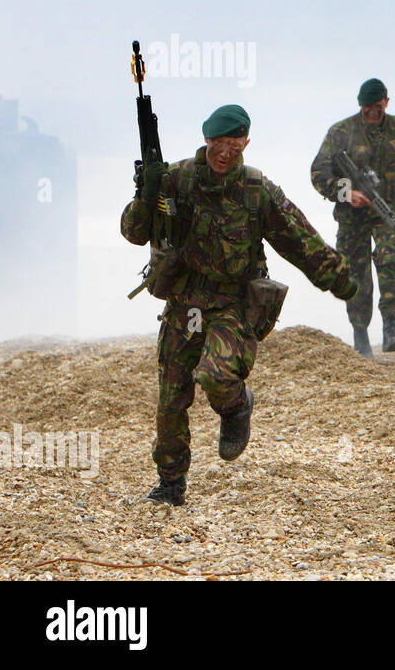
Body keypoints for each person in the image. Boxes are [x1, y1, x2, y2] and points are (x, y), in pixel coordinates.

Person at [122, 105, 357, 505]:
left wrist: (339, 278)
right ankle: (170, 484)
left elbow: (298, 238)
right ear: (206, 141)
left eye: (233, 144)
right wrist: (147, 195)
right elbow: (133, 231)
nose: (224, 153)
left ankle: (236, 405)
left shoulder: (256, 190)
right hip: (186, 300)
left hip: (234, 301)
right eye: (217, 144)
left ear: (246, 142)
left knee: (216, 376)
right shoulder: (176, 180)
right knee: (171, 395)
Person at [310, 78, 395, 355]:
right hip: (351, 217)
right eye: (367, 108)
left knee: (390, 260)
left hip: (387, 208)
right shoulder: (341, 132)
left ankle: (390, 328)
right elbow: (318, 173)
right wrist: (347, 193)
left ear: (387, 102)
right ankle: (360, 335)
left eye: (378, 107)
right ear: (360, 105)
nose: (373, 113)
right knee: (355, 272)